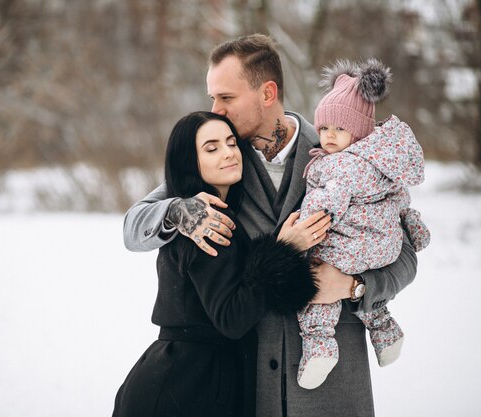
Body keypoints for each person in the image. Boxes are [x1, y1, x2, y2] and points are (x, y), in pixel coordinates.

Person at [123, 34, 418, 416]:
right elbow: (133, 226)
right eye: (212, 97)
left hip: (334, 380)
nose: (215, 109)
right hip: (249, 383)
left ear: (267, 93)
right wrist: (178, 211)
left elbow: (405, 252)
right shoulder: (221, 162)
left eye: (225, 98)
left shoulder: (342, 150)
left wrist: (355, 285)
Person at [112, 111, 318, 417]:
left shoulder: (213, 210)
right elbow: (232, 318)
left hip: (186, 378)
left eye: (231, 143)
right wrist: (284, 250)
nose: (229, 154)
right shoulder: (206, 222)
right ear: (189, 162)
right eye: (212, 148)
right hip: (188, 387)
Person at [294, 59, 431, 390]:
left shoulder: (341, 167)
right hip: (384, 245)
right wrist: (413, 225)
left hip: (351, 245)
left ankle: (319, 346)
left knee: (318, 281)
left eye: (339, 130)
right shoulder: (380, 161)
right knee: (365, 294)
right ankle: (385, 331)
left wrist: (303, 231)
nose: (327, 137)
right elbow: (401, 200)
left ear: (359, 132)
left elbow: (325, 206)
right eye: (324, 128)